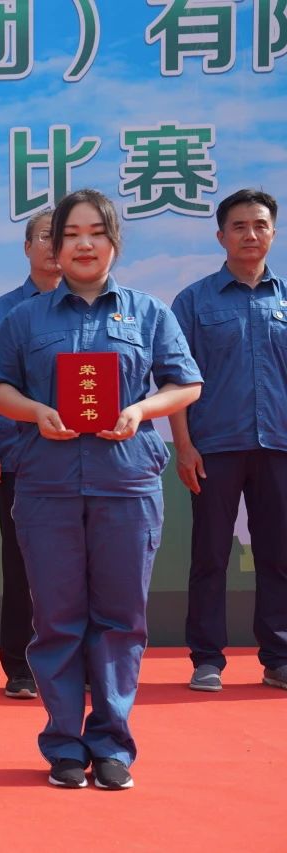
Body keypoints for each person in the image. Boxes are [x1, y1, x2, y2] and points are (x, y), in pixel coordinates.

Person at [0, 188, 202, 790]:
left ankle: (111, 743)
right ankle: (62, 743)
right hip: (46, 485)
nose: (84, 244)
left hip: (126, 482)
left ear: (114, 243)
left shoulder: (148, 313)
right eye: (71, 234)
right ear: (54, 247)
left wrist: (140, 410)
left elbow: (186, 384)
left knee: (120, 618)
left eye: (96, 233)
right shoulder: (25, 318)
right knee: (57, 618)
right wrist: (34, 411)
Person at [168, 188, 287, 693]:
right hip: (214, 446)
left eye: (260, 225)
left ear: (273, 233)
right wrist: (183, 445)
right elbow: (174, 381)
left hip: (279, 446)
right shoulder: (194, 301)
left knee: (279, 555)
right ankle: (207, 658)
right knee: (211, 555)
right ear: (221, 236)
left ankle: (279, 656)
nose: (250, 234)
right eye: (239, 226)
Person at [0, 209, 61, 700]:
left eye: (63, 236)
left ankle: (76, 662)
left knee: (77, 568)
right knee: (20, 564)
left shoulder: (98, 309)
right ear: (27, 247)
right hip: (20, 457)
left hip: (82, 460)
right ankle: (20, 666)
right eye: (45, 236)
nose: (54, 245)